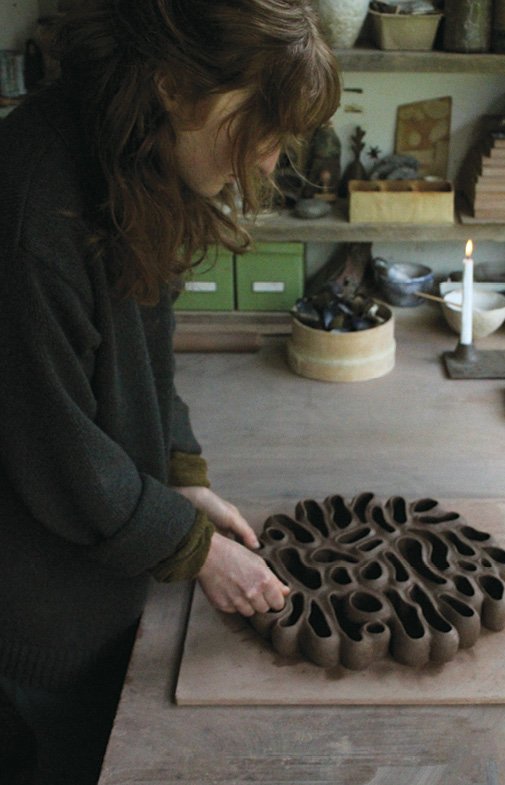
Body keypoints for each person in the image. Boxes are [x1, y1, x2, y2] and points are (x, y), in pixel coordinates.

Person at [0, 1, 341, 782]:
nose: (267, 161)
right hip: (39, 623)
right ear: (176, 86)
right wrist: (192, 550)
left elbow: (145, 357)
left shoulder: (131, 161)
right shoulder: (33, 205)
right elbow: (64, 454)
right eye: (262, 124)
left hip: (102, 586)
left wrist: (183, 473)